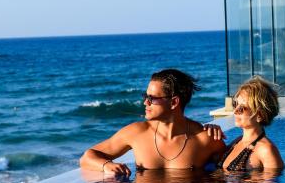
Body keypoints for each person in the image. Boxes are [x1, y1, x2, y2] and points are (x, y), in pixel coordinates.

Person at [79, 69, 226, 175]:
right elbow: (87, 157)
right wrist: (106, 165)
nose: (145, 102)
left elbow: (231, 169)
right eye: (145, 96)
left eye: (152, 98)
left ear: (174, 102)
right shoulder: (137, 133)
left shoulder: (205, 139)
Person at [218, 76, 284, 171]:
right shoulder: (236, 142)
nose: (235, 111)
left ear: (259, 115)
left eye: (242, 108)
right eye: (235, 105)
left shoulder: (266, 150)